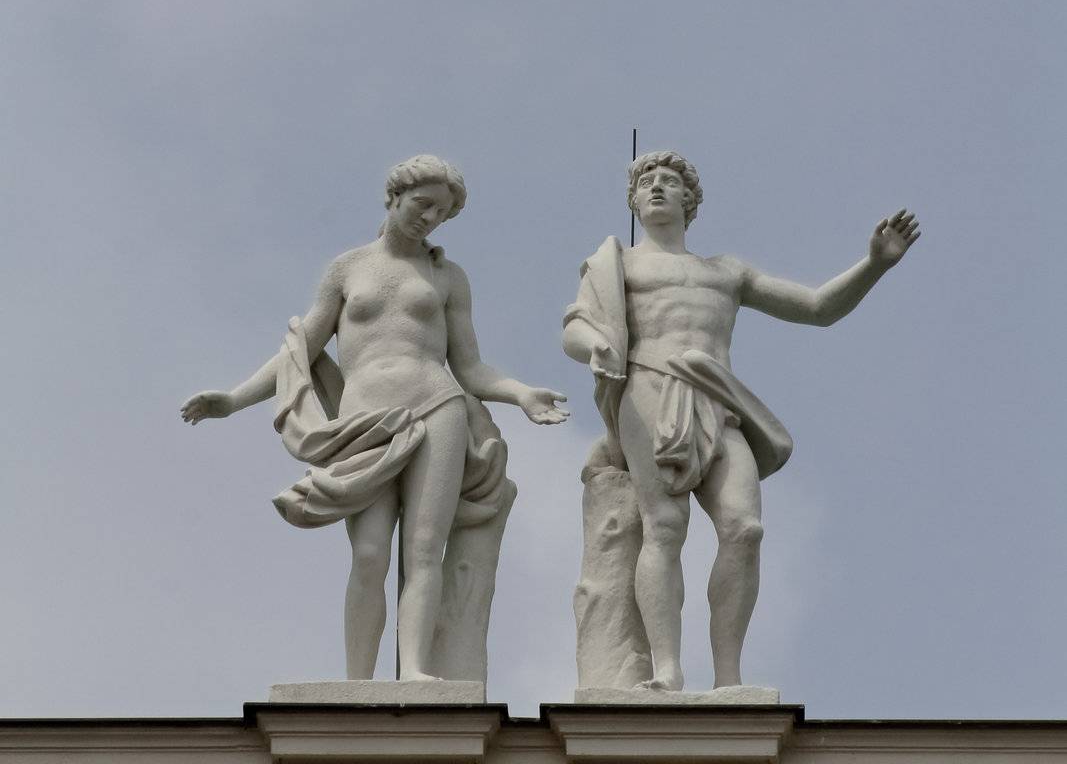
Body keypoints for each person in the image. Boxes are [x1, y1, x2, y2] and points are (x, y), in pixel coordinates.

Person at [182, 154, 567, 682]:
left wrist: (521, 393)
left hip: (437, 406)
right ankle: (357, 684)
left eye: (441, 213)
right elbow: (299, 351)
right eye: (422, 204)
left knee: (424, 550)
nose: (429, 218)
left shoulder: (448, 277)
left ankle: (414, 673)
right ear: (394, 197)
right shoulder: (348, 269)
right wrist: (232, 399)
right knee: (368, 553)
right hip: (365, 419)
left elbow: (471, 367)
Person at [563, 149, 919, 692]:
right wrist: (596, 346)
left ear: (690, 201)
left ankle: (728, 678)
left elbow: (817, 308)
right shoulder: (616, 266)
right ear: (633, 202)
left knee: (744, 528)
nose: (657, 188)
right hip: (648, 388)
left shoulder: (726, 272)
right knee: (665, 526)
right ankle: (667, 671)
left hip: (719, 400)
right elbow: (575, 328)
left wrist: (874, 264)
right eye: (646, 183)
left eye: (669, 182)